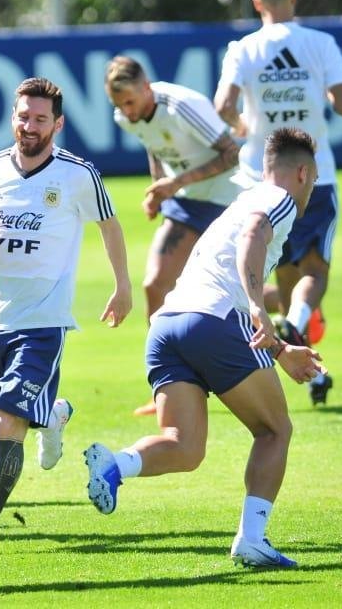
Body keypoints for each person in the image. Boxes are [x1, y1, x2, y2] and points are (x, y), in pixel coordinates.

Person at [83, 127, 325, 569]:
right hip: (214, 322)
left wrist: (281, 349)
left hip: (167, 326)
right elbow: (253, 240)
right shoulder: (278, 199)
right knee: (275, 430)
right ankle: (252, 539)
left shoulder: (241, 200)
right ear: (303, 172)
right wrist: (260, 309)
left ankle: (115, 466)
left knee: (185, 447)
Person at [0, 77, 133, 558]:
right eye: (22, 117)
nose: (28, 126)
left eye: (39, 119)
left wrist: (123, 285)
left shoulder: (77, 174)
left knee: (6, 425)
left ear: (58, 123)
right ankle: (52, 415)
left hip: (43, 322)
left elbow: (110, 226)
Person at [214, 0, 342, 405]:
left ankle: (313, 372)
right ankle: (296, 320)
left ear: (257, 4)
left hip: (261, 176)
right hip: (314, 175)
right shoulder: (320, 44)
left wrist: (245, 125)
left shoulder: (243, 48)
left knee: (284, 270)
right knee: (315, 272)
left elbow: (223, 106)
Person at [105, 55, 241, 417]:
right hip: (186, 202)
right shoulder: (126, 117)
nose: (127, 113)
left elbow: (233, 154)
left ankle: (283, 306)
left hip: (230, 200)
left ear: (147, 87)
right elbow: (154, 145)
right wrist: (158, 191)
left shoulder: (182, 105)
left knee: (233, 292)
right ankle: (168, 384)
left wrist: (174, 183)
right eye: (120, 105)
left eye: (131, 102)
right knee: (154, 285)